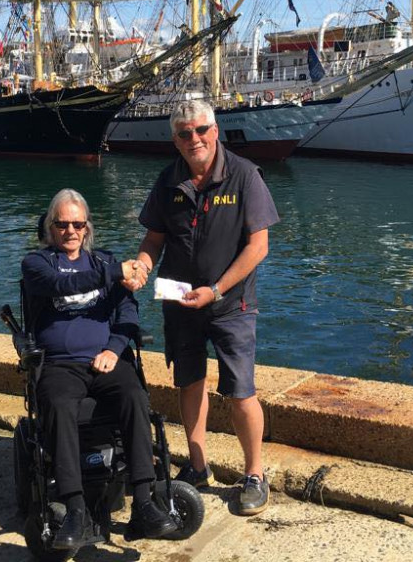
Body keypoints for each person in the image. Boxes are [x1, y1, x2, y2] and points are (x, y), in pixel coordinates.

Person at [131, 99, 279, 516]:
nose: (193, 139)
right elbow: (154, 239)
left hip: (232, 303)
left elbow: (259, 246)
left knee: (240, 390)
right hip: (180, 300)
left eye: (200, 130)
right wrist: (142, 266)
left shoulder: (245, 176)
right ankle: (197, 467)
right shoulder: (167, 181)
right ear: (175, 140)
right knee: (189, 382)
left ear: (215, 132)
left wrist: (216, 289)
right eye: (184, 133)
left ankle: (254, 474)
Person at [20, 188, 177, 549]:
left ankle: (143, 501)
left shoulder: (104, 261)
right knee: (58, 406)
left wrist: (114, 348)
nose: (71, 231)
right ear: (50, 227)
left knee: (135, 395)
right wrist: (112, 273)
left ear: (87, 227)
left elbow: (128, 313)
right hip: (59, 364)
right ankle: (75, 508)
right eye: (62, 224)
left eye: (78, 224)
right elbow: (62, 285)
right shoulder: (37, 264)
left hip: (105, 360)